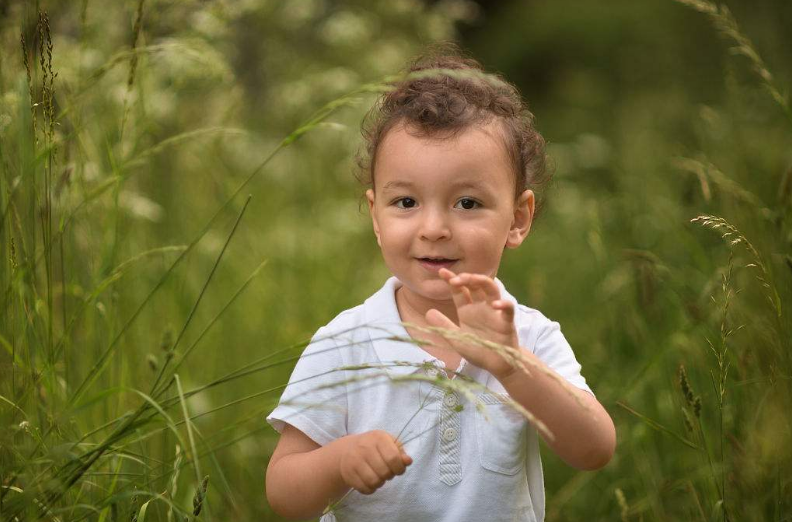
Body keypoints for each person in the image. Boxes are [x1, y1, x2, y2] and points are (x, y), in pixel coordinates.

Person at [264, 46, 616, 522]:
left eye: (467, 203)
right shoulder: (344, 343)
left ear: (517, 219)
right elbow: (284, 493)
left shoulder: (529, 337)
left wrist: (513, 367)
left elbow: (594, 450)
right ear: (375, 215)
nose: (433, 228)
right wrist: (339, 460)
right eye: (406, 202)